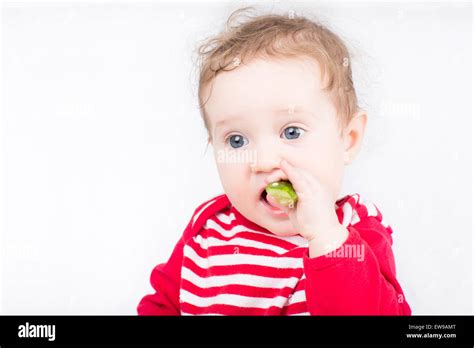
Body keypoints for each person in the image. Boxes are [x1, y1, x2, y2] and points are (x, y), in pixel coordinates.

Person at [137, 7, 411, 315]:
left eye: (291, 132)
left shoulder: (355, 233)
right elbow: (162, 306)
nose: (264, 162)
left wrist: (327, 238)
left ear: (348, 138)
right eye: (236, 140)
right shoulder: (206, 232)